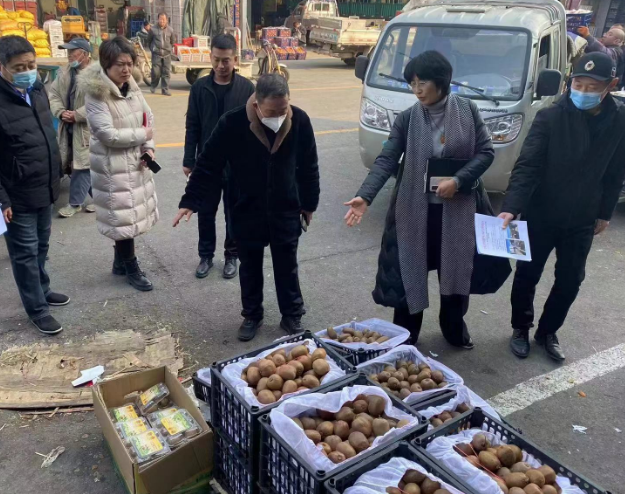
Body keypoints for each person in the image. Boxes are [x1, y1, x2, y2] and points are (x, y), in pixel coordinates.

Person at [344, 51, 494, 349]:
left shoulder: (468, 110)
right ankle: (406, 334)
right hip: (415, 211)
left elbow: (486, 152)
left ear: (441, 81)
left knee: (455, 274)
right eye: (412, 83)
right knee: (409, 273)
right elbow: (387, 159)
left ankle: (453, 329)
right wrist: (365, 195)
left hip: (457, 211)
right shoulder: (407, 118)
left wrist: (458, 180)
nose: (417, 89)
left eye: (422, 82)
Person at [174, 74, 319, 341]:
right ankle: (252, 315)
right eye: (272, 112)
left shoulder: (299, 120)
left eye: (283, 109)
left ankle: (292, 314)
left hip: (285, 208)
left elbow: (308, 165)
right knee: (249, 265)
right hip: (246, 208)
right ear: (256, 105)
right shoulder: (231, 123)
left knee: (287, 264)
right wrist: (190, 201)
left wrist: (309, 203)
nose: (279, 116)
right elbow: (208, 164)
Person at [500, 52, 625, 362]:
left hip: (582, 217)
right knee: (527, 274)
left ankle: (548, 332)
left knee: (571, 280)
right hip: (542, 213)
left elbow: (615, 171)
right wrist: (512, 206)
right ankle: (520, 327)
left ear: (611, 85)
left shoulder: (619, 120)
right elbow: (527, 166)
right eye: (578, 84)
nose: (583, 92)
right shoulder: (551, 117)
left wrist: (604, 212)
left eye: (592, 87)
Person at [78, 36, 159, 292]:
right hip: (112, 168)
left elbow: (147, 118)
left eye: (129, 63)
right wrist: (142, 136)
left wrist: (148, 148)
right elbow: (107, 134)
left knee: (127, 216)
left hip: (134, 163)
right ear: (106, 65)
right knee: (123, 218)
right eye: (120, 65)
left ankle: (119, 262)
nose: (126, 69)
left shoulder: (131, 86)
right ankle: (131, 267)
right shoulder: (96, 94)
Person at [0, 36, 68, 335]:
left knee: (41, 246)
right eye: (19, 67)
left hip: (44, 186)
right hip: (16, 195)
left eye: (31, 65)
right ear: (2, 67)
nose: (27, 71)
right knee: (24, 254)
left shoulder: (37, 89)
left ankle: (43, 289)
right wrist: (2, 200)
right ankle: (37, 309)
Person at [183, 34, 255, 279]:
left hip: (237, 165)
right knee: (205, 212)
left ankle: (232, 255)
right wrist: (189, 160)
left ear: (235, 59)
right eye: (216, 60)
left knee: (234, 213)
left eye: (226, 60)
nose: (221, 65)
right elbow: (192, 125)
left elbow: (255, 127)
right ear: (210, 57)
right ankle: (205, 256)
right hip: (208, 163)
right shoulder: (199, 88)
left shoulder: (247, 88)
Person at [49, 37, 94, 218]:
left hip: (86, 128)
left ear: (84, 54)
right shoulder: (65, 73)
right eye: (67, 52)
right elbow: (53, 94)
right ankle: (103, 200)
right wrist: (61, 112)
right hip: (67, 126)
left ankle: (75, 203)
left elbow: (100, 103)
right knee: (80, 163)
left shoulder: (96, 74)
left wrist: (77, 115)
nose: (69, 55)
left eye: (72, 52)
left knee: (81, 166)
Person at [147, 13, 175, 96]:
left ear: (166, 20)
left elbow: (172, 41)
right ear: (158, 19)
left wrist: (169, 49)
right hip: (156, 55)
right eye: (160, 19)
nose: (162, 21)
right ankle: (153, 85)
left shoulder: (170, 30)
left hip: (167, 55)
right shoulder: (153, 29)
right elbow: (149, 41)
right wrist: (153, 49)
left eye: (163, 19)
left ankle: (165, 90)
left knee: (166, 73)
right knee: (156, 72)